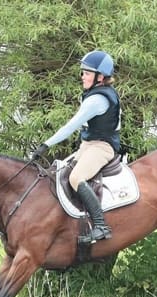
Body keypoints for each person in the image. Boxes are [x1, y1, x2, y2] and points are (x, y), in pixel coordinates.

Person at [30, 50, 122, 244]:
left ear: (100, 77)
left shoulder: (97, 100)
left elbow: (71, 126)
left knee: (76, 178)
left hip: (102, 147)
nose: (82, 76)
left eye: (87, 73)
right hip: (87, 145)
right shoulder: (92, 93)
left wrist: (46, 144)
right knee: (58, 174)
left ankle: (101, 226)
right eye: (83, 72)